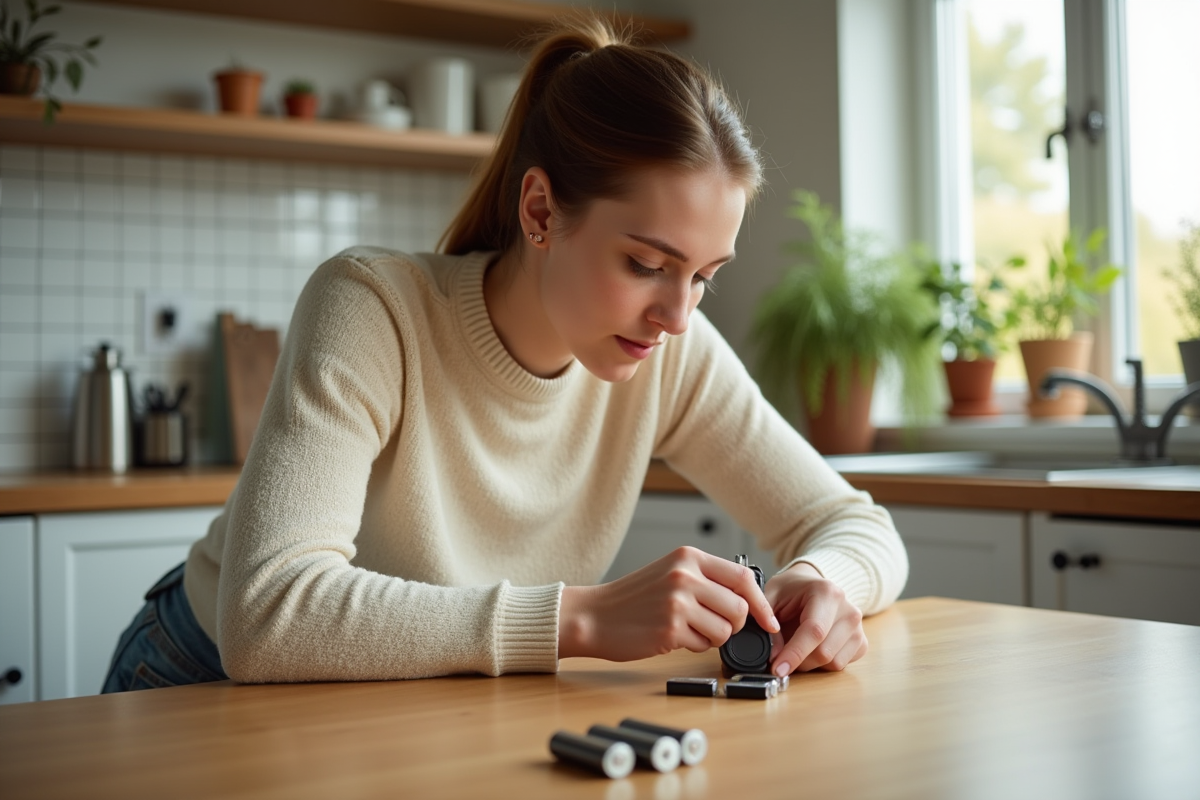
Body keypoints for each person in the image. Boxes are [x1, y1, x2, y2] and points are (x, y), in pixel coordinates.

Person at [102, 15, 907, 694]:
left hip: (422, 699)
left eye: (704, 277)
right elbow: (268, 614)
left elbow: (851, 522)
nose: (676, 315)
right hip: (194, 674)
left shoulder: (669, 352)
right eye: (647, 265)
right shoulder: (373, 307)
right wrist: (582, 618)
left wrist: (828, 584)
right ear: (540, 210)